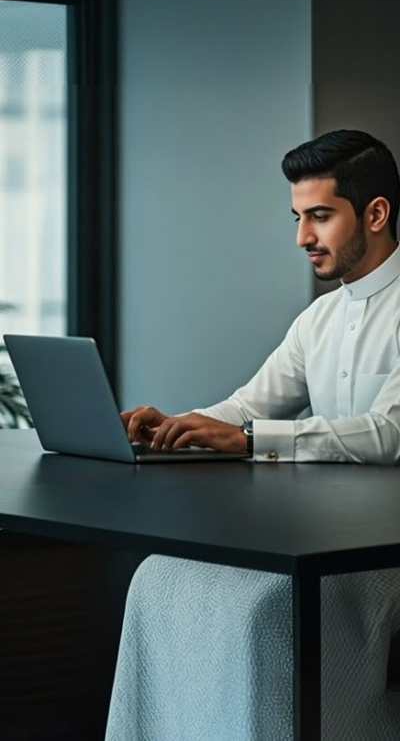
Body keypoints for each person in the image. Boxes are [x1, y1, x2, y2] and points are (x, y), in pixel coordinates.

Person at [105, 130, 400, 741]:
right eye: (297, 217)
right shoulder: (317, 320)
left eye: (319, 217)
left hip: (380, 554)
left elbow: (389, 433)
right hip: (315, 539)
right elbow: (245, 407)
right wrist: (176, 426)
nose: (302, 238)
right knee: (158, 576)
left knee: (263, 607)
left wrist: (249, 441)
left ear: (375, 213)